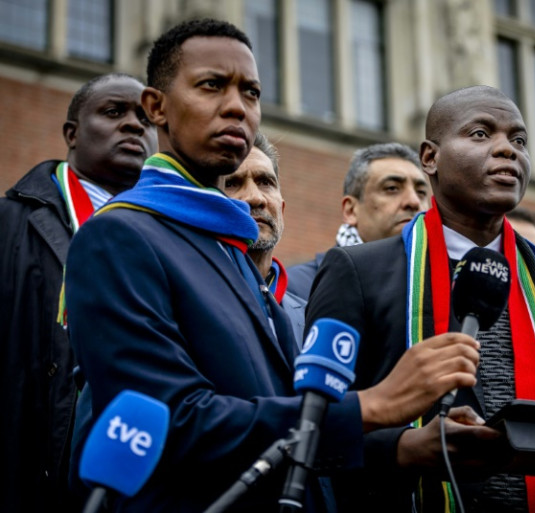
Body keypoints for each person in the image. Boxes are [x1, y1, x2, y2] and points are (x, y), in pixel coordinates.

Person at [64, 19, 481, 512]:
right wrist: (372, 406)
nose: (237, 107)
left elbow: (279, 419)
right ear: (156, 108)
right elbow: (170, 421)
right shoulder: (119, 236)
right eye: (212, 85)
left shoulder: (229, 249)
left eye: (252, 93)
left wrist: (402, 447)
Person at [305, 85, 535, 513]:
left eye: (519, 140)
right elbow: (311, 430)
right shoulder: (357, 271)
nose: (507, 150)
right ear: (430, 158)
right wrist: (404, 448)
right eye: (480, 134)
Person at [0, 72, 156, 512]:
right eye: (114, 112)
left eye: (145, 118)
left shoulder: (173, 240)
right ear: (71, 133)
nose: (134, 125)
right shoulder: (9, 224)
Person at [287, 141, 431, 300]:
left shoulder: (449, 286)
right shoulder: (295, 289)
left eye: (421, 192)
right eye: (392, 188)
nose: (413, 201)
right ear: (351, 210)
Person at [221, 131, 306, 342]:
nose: (255, 197)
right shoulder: (185, 297)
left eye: (265, 182)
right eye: (232, 183)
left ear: (282, 208)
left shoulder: (311, 317)